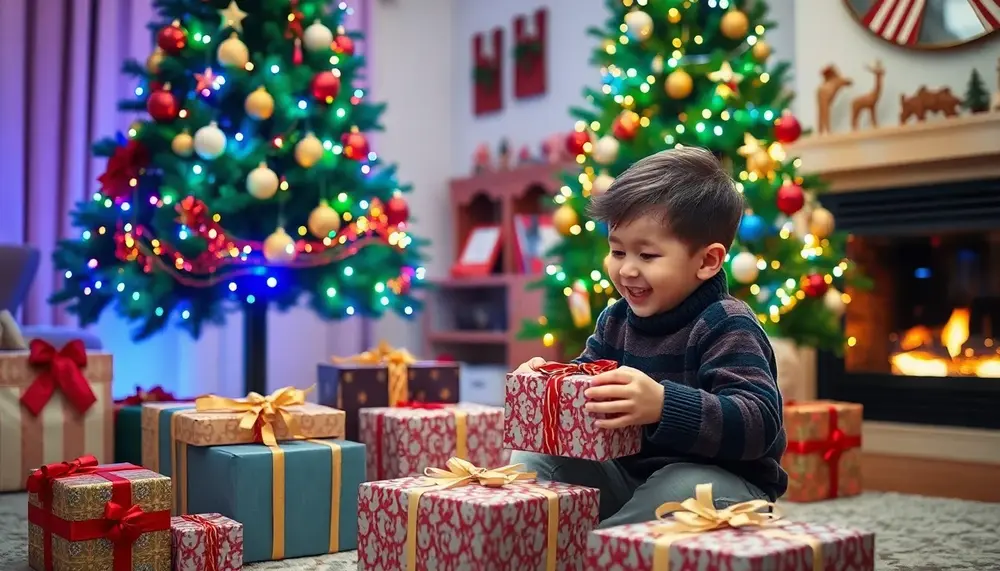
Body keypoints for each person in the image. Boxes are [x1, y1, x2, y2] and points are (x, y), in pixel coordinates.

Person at [512, 147, 787, 528]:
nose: (626, 270)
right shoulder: (616, 319)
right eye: (617, 251)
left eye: (647, 255)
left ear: (707, 261)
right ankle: (526, 545)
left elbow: (758, 423)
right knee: (530, 460)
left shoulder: (727, 324)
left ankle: (599, 553)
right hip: (628, 478)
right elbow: (588, 378)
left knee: (682, 485)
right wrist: (553, 382)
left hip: (724, 486)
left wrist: (662, 404)